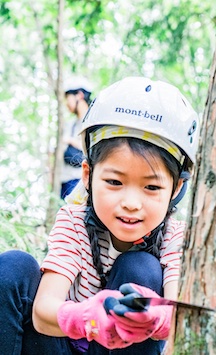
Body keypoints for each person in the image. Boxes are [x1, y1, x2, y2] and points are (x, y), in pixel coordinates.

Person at [0, 76, 200, 354]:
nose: (131, 203)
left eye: (151, 187)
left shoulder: (175, 238)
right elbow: (43, 311)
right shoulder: (74, 221)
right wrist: (88, 318)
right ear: (88, 175)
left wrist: (156, 317)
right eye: (115, 182)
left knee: (141, 267)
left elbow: (183, 317)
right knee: (13, 266)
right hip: (57, 346)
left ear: (176, 188)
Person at [61, 76, 93, 199]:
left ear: (79, 95)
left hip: (79, 180)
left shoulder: (92, 121)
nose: (66, 103)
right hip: (64, 179)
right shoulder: (70, 125)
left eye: (68, 98)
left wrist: (70, 141)